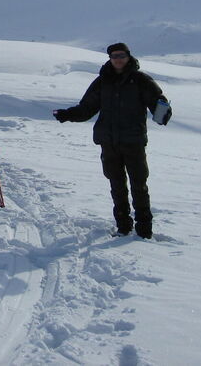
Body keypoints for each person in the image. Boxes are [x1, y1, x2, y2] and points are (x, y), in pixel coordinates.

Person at [52, 42, 171, 239]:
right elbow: (87, 108)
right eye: (114, 56)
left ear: (128, 56)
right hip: (109, 142)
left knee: (139, 185)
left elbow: (157, 102)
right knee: (116, 185)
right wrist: (67, 114)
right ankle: (123, 227)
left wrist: (163, 113)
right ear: (110, 58)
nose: (118, 59)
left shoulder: (141, 80)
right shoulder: (102, 81)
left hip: (133, 141)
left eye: (122, 55)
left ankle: (144, 230)